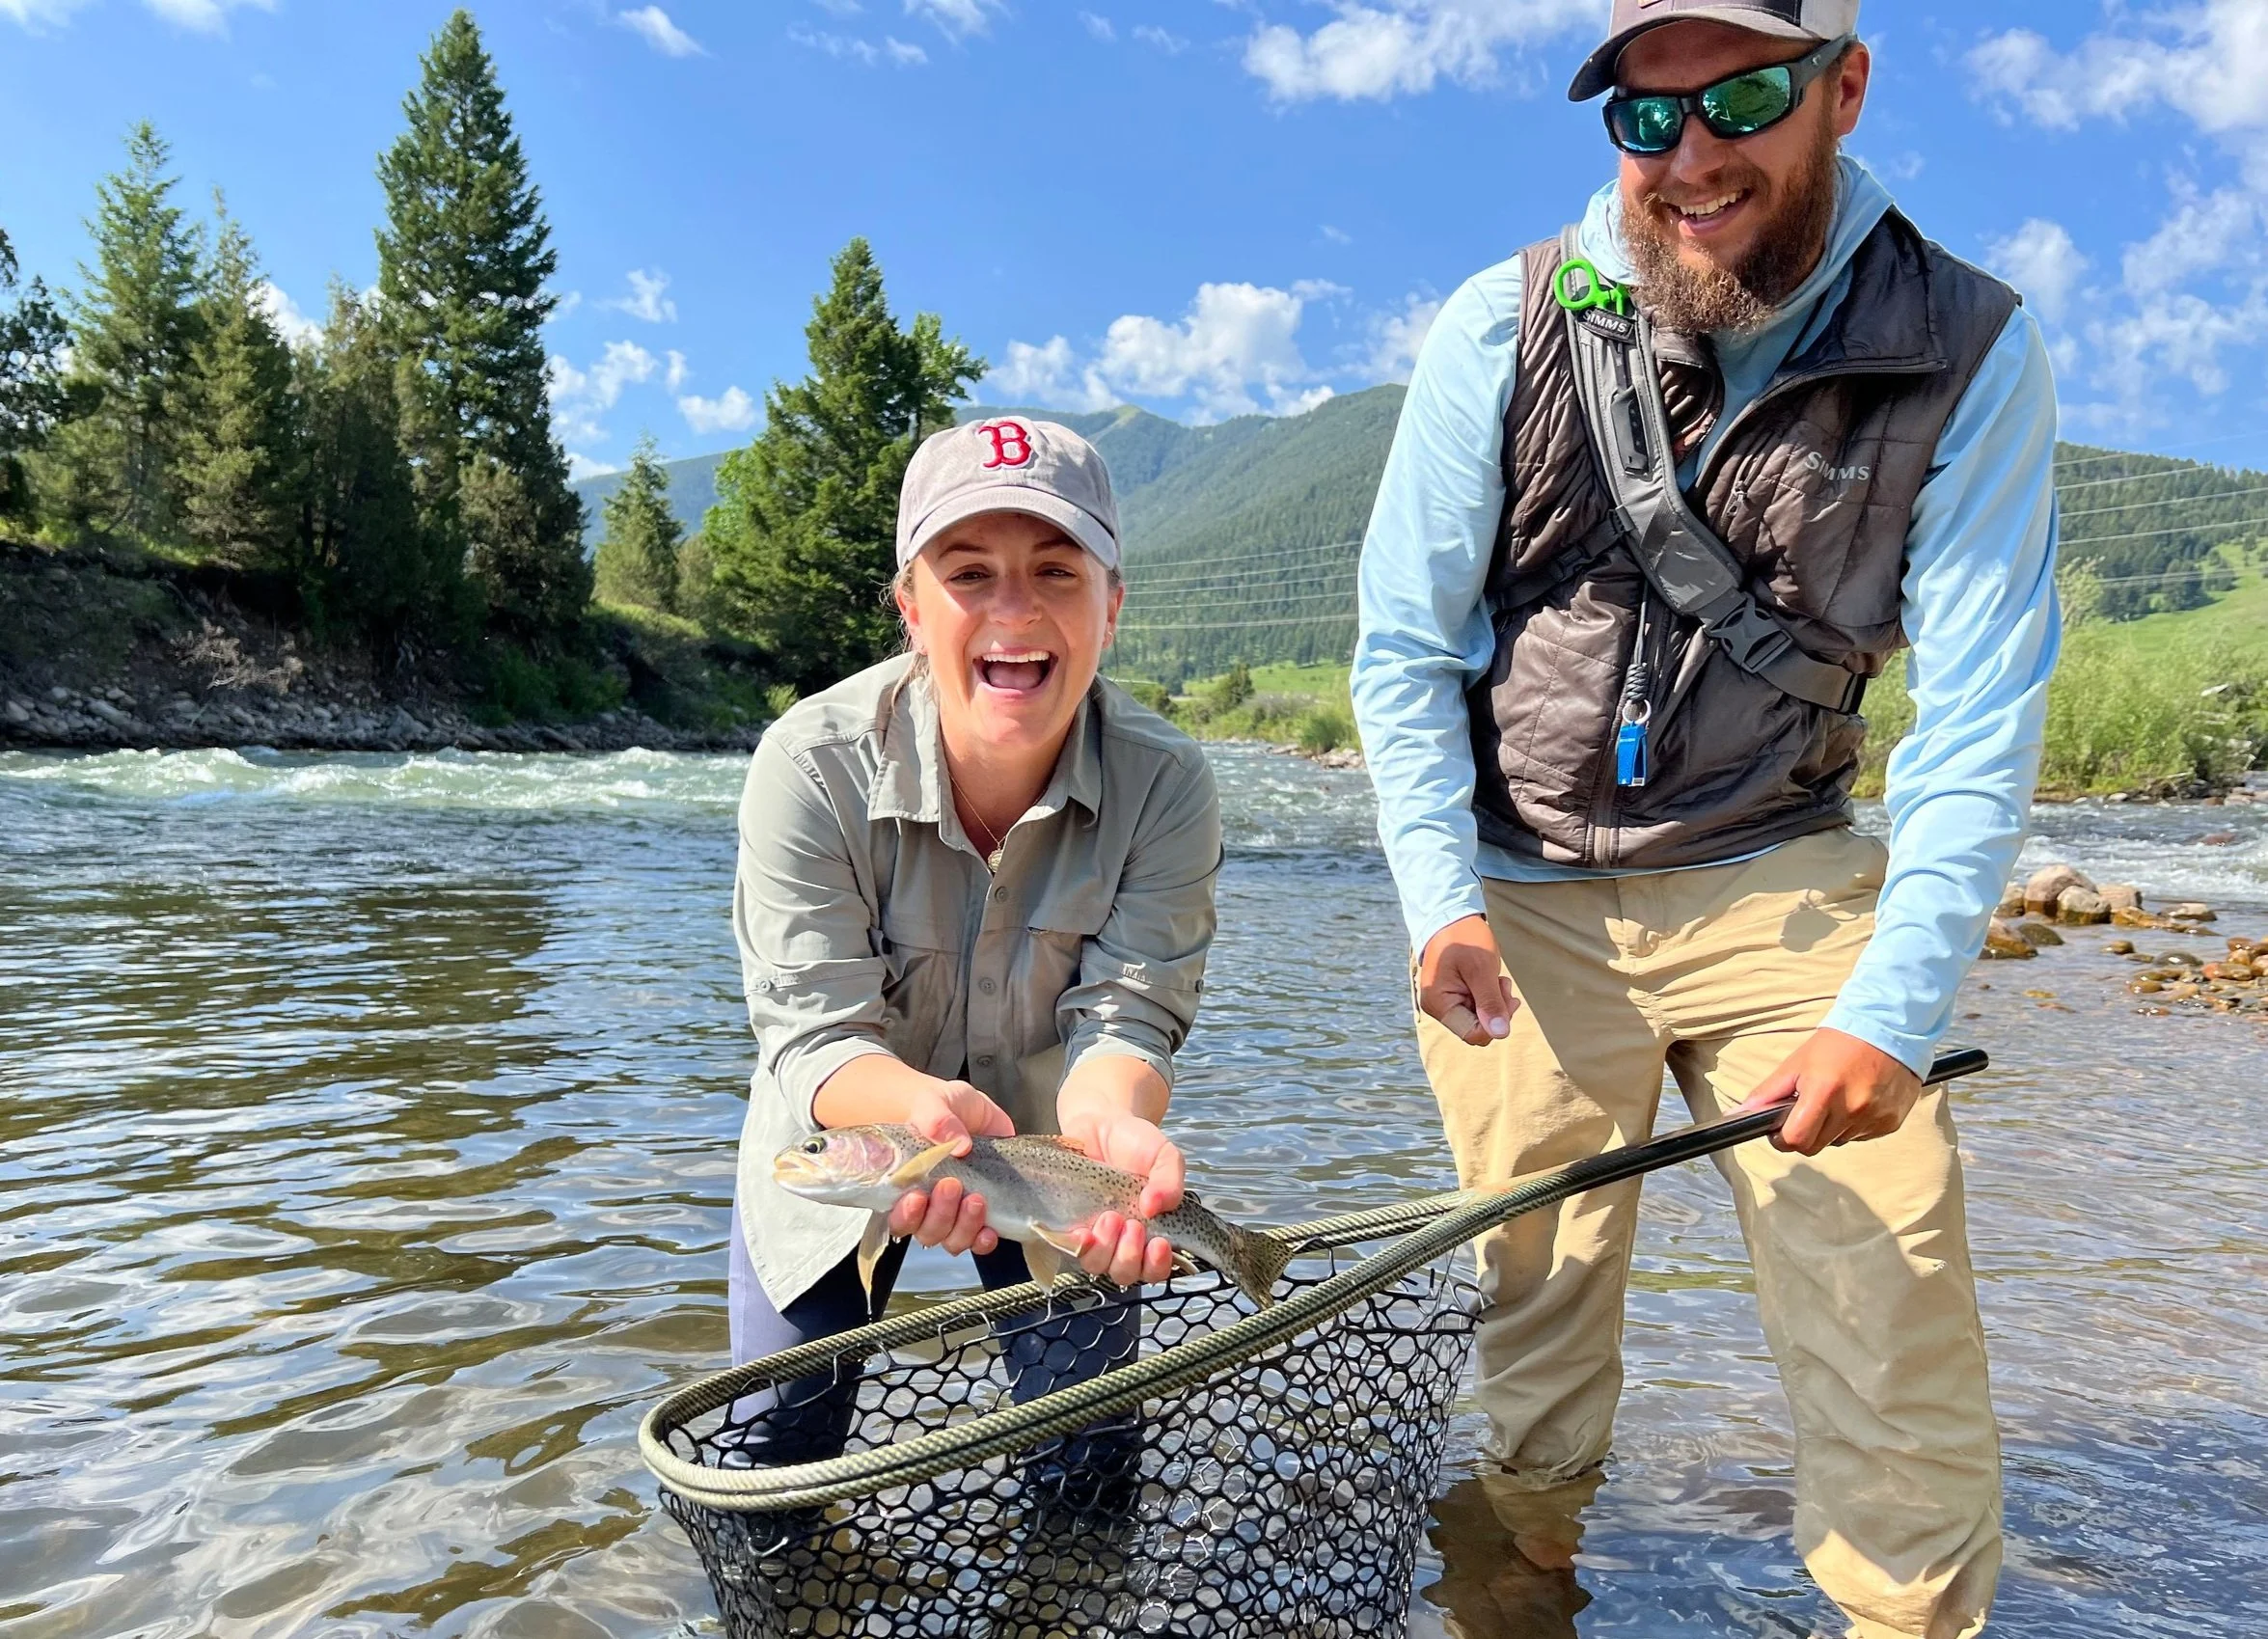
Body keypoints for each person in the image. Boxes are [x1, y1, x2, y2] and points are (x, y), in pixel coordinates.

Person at [1351, 4, 2059, 1636]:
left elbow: (1974, 717)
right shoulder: (1499, 321)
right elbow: (1402, 646)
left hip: (1784, 872)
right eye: (1643, 116)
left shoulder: (1968, 342)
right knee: (1533, 1336)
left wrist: (1891, 1008)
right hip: (1516, 897)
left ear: (1846, 88)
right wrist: (1435, 897)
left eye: (1740, 96)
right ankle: (1524, 1591)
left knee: (1888, 1302)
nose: (1691, 154)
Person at [726, 416, 1221, 1468]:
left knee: (1088, 1458)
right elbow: (812, 1033)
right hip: (843, 1147)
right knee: (777, 1448)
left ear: (1111, 605)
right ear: (910, 607)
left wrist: (1115, 1134)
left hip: (1058, 1162)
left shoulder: (1167, 783)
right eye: (967, 573)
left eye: (1055, 570)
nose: (1013, 611)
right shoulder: (808, 766)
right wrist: (915, 1113)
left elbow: (1128, 1018)